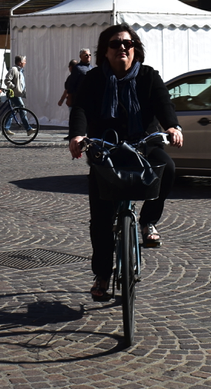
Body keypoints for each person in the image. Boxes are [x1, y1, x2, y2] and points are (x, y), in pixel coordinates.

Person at [68, 24, 184, 302]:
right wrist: (78, 135)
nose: (122, 48)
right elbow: (80, 108)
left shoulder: (148, 76)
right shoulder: (94, 79)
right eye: (115, 44)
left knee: (167, 168)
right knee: (101, 219)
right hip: (106, 148)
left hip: (143, 144)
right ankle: (103, 274)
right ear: (105, 52)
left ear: (135, 49)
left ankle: (147, 222)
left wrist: (172, 126)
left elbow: (163, 103)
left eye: (127, 44)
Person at [3, 55, 34, 135]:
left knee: (13, 111)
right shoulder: (13, 69)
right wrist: (14, 87)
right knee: (22, 110)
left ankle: (6, 128)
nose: (25, 63)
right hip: (14, 94)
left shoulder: (20, 70)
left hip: (17, 94)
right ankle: (28, 129)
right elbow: (7, 80)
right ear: (20, 62)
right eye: (24, 61)